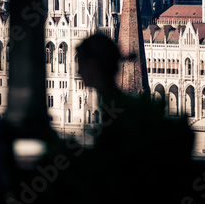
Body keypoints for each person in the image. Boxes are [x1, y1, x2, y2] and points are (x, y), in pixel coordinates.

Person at [76, 33, 195, 203]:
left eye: (80, 64)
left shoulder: (119, 111)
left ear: (93, 66)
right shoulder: (116, 106)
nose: (78, 71)